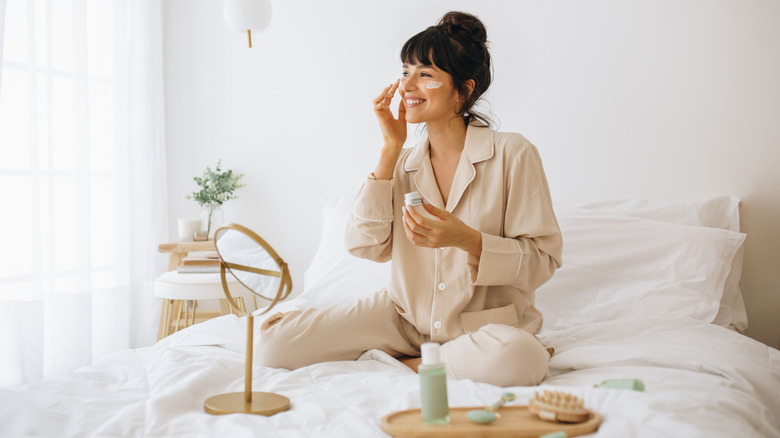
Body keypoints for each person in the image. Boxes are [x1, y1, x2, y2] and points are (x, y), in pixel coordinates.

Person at [257, 11, 562, 387]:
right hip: (404, 318)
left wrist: (466, 239)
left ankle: (415, 364)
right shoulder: (403, 163)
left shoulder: (513, 153)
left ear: (463, 91)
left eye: (426, 74)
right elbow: (365, 245)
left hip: (481, 328)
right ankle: (431, 361)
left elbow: (542, 262)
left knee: (521, 357)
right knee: (273, 343)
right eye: (405, 72)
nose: (407, 86)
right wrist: (390, 149)